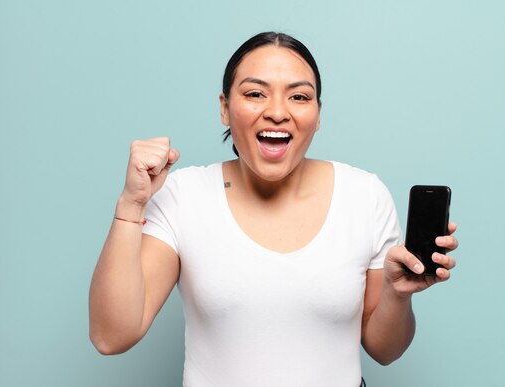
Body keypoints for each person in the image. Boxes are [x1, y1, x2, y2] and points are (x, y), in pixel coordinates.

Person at [89, 32, 458, 387]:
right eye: (255, 93)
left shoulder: (365, 196)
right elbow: (111, 336)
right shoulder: (183, 195)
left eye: (299, 97)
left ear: (317, 114)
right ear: (224, 108)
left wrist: (398, 293)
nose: (278, 112)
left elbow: (386, 350)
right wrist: (130, 204)